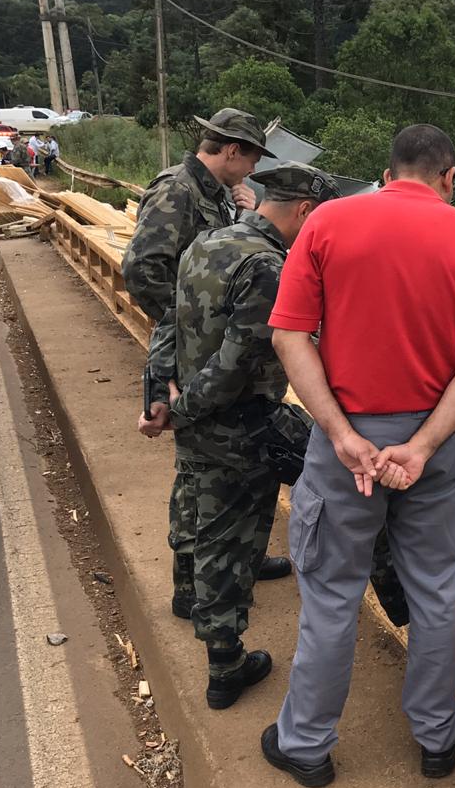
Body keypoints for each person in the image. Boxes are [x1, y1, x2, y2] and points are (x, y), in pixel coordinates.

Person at [260, 124, 455, 787]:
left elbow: (289, 337)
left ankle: (307, 744)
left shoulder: (329, 223)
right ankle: (436, 736)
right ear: (449, 177)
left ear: (388, 169)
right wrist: (425, 444)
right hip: (436, 444)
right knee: (436, 595)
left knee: (332, 596)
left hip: (346, 447)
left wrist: (343, 436)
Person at [145, 162, 339, 709]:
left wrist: (161, 397)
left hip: (195, 417)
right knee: (230, 542)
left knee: (193, 507)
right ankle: (226, 667)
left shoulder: (208, 242)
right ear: (304, 210)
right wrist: (189, 412)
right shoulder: (269, 267)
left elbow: (169, 327)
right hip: (234, 424)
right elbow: (236, 364)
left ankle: (186, 597)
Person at [125, 107, 292, 621]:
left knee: (211, 471)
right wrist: (189, 326)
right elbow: (141, 268)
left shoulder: (216, 195)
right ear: (232, 150)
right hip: (191, 352)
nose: (251, 170)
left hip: (209, 353)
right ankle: (194, 584)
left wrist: (245, 212)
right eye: (251, 159)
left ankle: (236, 558)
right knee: (200, 472)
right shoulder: (177, 189)